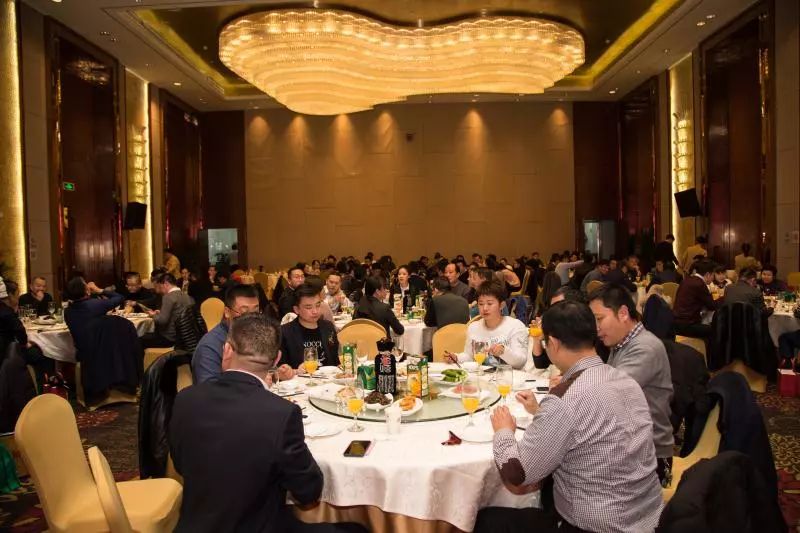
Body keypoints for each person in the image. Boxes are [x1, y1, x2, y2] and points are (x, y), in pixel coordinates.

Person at [486, 301, 663, 533]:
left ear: (553, 343)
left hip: (597, 526)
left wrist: (503, 431)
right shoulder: (625, 380)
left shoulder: (565, 398)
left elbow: (518, 473)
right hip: (650, 517)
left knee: (486, 521)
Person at [170, 314, 323, 533]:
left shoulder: (185, 399)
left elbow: (180, 464)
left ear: (227, 350)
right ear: (277, 359)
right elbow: (308, 490)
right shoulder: (281, 413)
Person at [588, 284, 675, 484]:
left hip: (650, 457)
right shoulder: (621, 343)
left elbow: (607, 393)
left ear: (623, 313)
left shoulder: (645, 348)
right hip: (627, 443)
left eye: (599, 319)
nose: (596, 328)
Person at [192, 284, 276, 384]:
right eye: (244, 313)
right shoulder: (210, 346)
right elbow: (209, 389)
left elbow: (267, 369)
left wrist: (276, 372)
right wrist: (255, 383)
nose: (251, 319)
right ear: (227, 312)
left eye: (255, 313)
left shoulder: (256, 335)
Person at [448, 280, 528, 370]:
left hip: (510, 377)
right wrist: (456, 357)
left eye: (490, 303)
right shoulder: (473, 327)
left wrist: (504, 351)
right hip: (483, 376)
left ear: (501, 305)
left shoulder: (515, 326)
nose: (485, 308)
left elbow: (521, 362)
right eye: (481, 304)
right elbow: (469, 356)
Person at [0, 278, 54, 377]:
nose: (18, 297)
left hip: (6, 348)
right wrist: (25, 344)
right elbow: (20, 333)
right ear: (10, 295)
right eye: (17, 294)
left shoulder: (5, 309)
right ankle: (44, 381)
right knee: (44, 353)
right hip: (7, 352)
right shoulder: (7, 312)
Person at [281, 282, 340, 370]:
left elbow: (335, 361)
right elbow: (281, 369)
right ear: (296, 309)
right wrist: (295, 371)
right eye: (308, 307)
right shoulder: (285, 333)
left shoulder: (328, 327)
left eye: (318, 305)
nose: (315, 311)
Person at [64, 277, 125, 359]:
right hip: (102, 353)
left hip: (83, 355)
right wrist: (99, 290)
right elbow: (120, 297)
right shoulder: (96, 304)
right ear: (86, 290)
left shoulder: (67, 311)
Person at [141, 272, 194, 349]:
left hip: (169, 338)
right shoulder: (187, 297)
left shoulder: (168, 297)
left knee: (140, 339)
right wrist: (160, 313)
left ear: (165, 284)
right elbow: (177, 314)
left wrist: (153, 315)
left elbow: (162, 321)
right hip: (184, 338)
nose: (161, 290)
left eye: (161, 286)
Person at [672, 260, 722, 339]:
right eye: (713, 275)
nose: (713, 278)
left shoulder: (687, 280)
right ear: (708, 274)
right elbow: (712, 306)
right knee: (717, 330)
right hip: (687, 325)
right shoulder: (699, 284)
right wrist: (724, 297)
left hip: (676, 322)